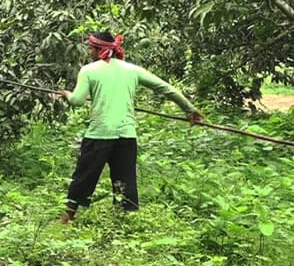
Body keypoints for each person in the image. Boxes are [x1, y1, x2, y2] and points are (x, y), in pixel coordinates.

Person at [56, 32, 203, 223]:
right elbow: (166, 88)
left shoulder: (88, 70)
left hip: (99, 134)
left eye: (91, 47)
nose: (89, 51)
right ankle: (123, 223)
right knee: (124, 181)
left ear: (100, 49)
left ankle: (66, 218)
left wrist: (66, 94)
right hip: (126, 136)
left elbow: (77, 101)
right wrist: (189, 109)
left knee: (83, 177)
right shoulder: (132, 70)